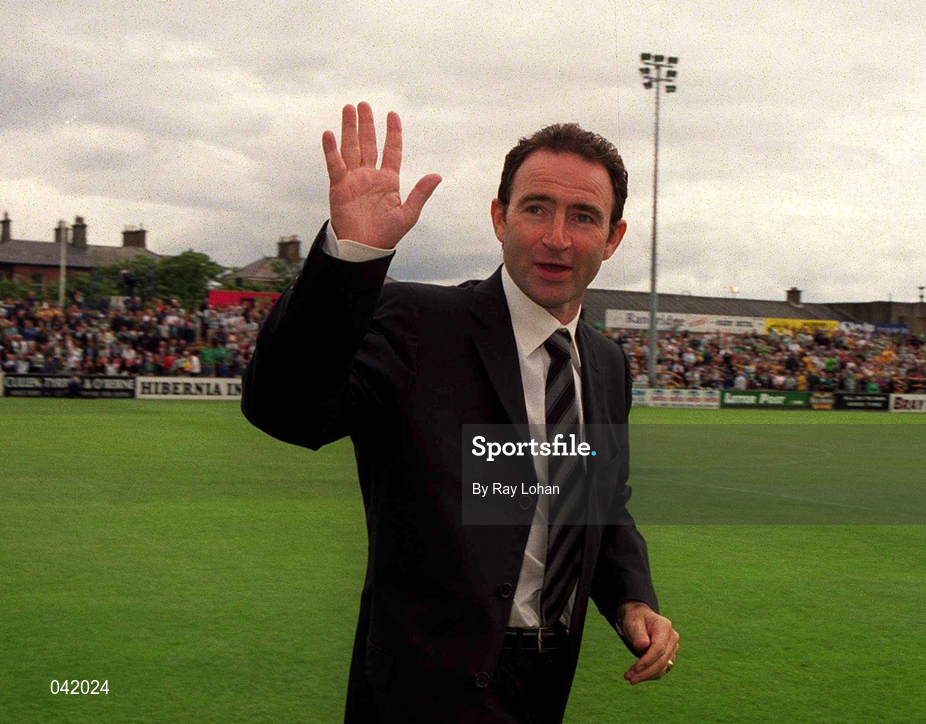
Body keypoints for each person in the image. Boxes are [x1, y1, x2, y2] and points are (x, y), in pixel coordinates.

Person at [242, 102, 678, 723]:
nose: (557, 237)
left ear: (613, 238)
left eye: (583, 217)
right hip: (422, 695)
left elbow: (595, 504)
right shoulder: (420, 326)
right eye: (536, 208)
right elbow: (286, 411)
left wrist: (631, 597)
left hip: (544, 685)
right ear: (500, 218)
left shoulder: (606, 365)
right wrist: (351, 259)